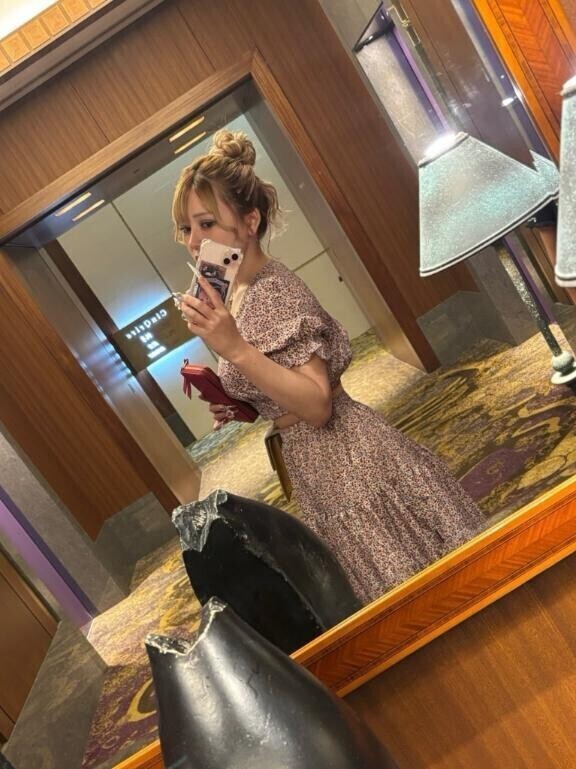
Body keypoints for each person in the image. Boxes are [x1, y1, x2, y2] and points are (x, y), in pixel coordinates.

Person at [174, 129, 484, 604]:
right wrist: (237, 401)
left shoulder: (274, 290)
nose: (194, 242)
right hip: (318, 469)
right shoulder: (239, 293)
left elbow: (318, 405)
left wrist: (235, 350)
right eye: (185, 228)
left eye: (207, 224)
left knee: (423, 596)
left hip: (351, 463)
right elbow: (281, 382)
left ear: (250, 221)